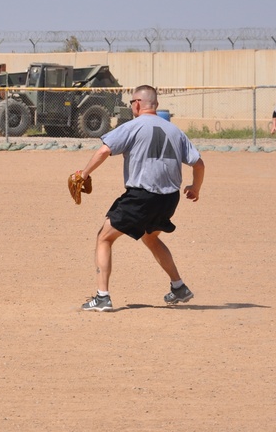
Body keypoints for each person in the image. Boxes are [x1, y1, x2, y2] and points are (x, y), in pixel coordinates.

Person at [76, 85, 205, 312]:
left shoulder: (133, 126)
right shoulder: (175, 131)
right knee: (150, 237)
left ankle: (102, 297)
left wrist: (83, 174)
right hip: (169, 199)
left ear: (137, 103)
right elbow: (199, 163)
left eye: (131, 103)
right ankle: (179, 287)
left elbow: (104, 151)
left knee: (104, 238)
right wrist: (196, 188)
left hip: (141, 196)